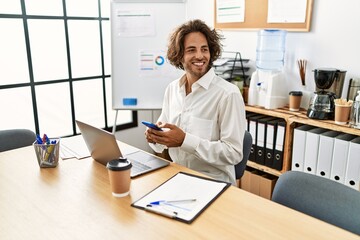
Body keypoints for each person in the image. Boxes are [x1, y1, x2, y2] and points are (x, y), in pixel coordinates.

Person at [144, 19, 246, 186]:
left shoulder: (228, 95)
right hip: (177, 175)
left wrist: (184, 140)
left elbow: (233, 153)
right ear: (179, 55)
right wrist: (155, 137)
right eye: (191, 50)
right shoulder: (172, 89)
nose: (200, 56)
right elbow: (162, 143)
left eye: (204, 49)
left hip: (214, 183)